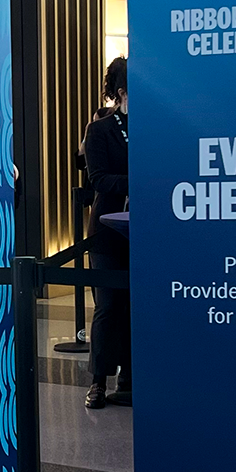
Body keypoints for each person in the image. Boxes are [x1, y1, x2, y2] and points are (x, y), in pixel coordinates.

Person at [83, 57, 131, 410]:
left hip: (144, 230)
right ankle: (98, 380)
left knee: (136, 303)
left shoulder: (157, 127)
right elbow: (99, 179)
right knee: (108, 305)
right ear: (121, 92)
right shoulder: (99, 130)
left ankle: (130, 376)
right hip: (107, 230)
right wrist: (139, 183)